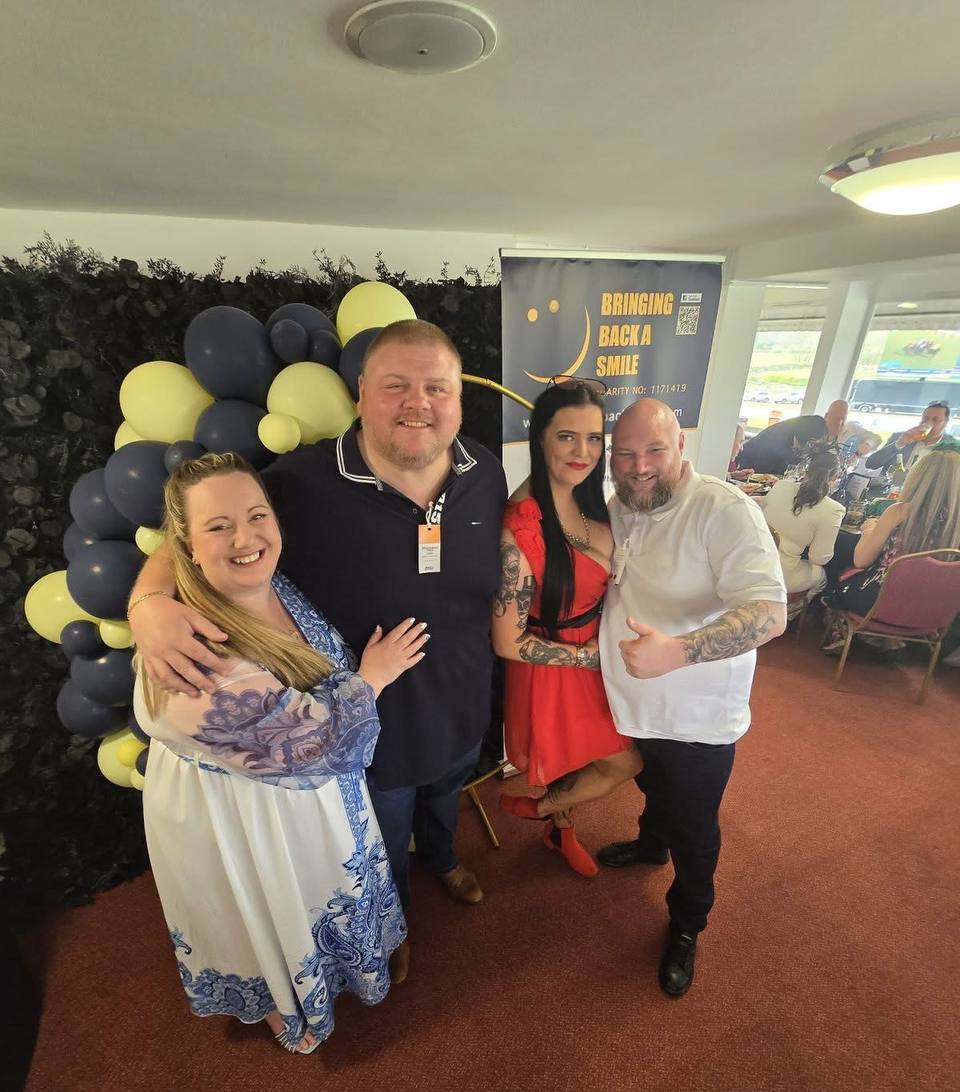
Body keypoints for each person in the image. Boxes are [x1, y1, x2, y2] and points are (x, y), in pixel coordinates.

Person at [128, 320, 508, 986]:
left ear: (458, 398)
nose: (418, 403)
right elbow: (201, 526)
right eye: (396, 385)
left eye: (436, 387)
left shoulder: (485, 470)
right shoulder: (301, 482)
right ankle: (394, 921)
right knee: (381, 834)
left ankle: (444, 858)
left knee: (445, 795)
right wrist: (147, 603)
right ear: (361, 393)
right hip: (371, 725)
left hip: (462, 701)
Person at [132, 453, 428, 1053]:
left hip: (302, 799)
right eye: (219, 527)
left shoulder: (263, 583)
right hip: (245, 814)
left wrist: (145, 597)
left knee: (319, 886)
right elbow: (321, 747)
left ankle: (352, 963)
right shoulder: (197, 658)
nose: (245, 539)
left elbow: (179, 541)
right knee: (268, 908)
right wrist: (374, 675)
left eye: (257, 516)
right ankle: (288, 1004)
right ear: (190, 546)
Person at [597, 399, 786, 998]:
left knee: (696, 828)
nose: (638, 466)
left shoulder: (724, 509)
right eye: (624, 454)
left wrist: (679, 652)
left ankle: (687, 923)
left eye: (654, 450)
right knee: (654, 786)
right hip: (637, 703)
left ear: (682, 446)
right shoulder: (621, 506)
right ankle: (651, 844)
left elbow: (769, 613)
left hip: (699, 716)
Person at [491, 379, 641, 877]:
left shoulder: (591, 499)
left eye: (594, 438)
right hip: (557, 662)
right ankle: (548, 811)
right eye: (567, 437)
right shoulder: (521, 527)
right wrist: (583, 657)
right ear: (540, 439)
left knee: (584, 759)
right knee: (623, 763)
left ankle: (557, 825)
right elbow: (507, 640)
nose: (583, 452)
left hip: (598, 655)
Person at [823, 443, 960, 653]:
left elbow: (861, 560)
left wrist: (869, 529)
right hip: (933, 609)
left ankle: (839, 631)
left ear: (918, 478)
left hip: (880, 602)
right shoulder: (955, 525)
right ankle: (889, 641)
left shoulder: (899, 512)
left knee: (840, 567)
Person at [763, 447, 844, 599]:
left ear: (806, 470)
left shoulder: (781, 485)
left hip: (753, 559)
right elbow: (819, 558)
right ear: (835, 478)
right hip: (780, 574)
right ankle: (799, 609)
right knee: (821, 575)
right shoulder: (833, 509)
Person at [739, 400, 847, 476]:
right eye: (836, 419)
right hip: (747, 466)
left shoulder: (816, 427)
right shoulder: (777, 440)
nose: (840, 423)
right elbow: (760, 474)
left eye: (843, 420)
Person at [864, 400, 951, 476]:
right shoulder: (901, 437)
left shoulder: (951, 448)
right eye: (925, 418)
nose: (928, 423)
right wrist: (899, 444)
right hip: (889, 488)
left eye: (935, 420)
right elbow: (871, 464)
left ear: (946, 422)